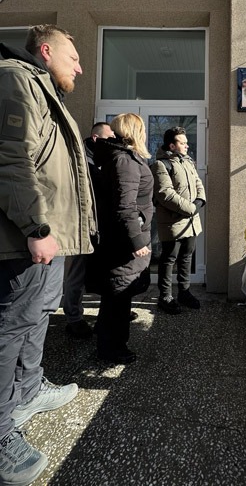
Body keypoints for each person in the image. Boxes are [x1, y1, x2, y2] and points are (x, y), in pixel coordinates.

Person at [0, 25, 96, 486]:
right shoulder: (16, 79)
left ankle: (29, 390)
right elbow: (12, 160)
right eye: (73, 58)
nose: (80, 67)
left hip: (48, 238)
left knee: (37, 316)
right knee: (10, 330)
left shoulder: (44, 90)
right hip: (26, 238)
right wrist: (36, 228)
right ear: (45, 50)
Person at [90, 113, 153, 364]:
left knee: (117, 295)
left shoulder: (124, 157)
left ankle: (110, 342)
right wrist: (136, 241)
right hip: (123, 243)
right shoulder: (124, 160)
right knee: (118, 295)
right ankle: (111, 349)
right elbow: (125, 206)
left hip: (122, 239)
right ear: (135, 131)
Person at [63, 122, 114, 340]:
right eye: (109, 138)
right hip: (82, 225)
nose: (112, 142)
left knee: (104, 271)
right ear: (95, 138)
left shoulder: (105, 158)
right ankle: (74, 318)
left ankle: (110, 312)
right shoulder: (79, 158)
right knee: (77, 273)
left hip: (101, 225)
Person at [152, 127, 206, 315]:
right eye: (183, 143)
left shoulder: (188, 162)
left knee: (186, 257)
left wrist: (200, 201)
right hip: (173, 223)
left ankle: (184, 292)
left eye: (186, 142)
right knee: (169, 259)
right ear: (172, 146)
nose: (187, 146)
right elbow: (165, 194)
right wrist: (191, 208)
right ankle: (165, 297)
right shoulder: (161, 165)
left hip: (191, 222)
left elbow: (198, 183)